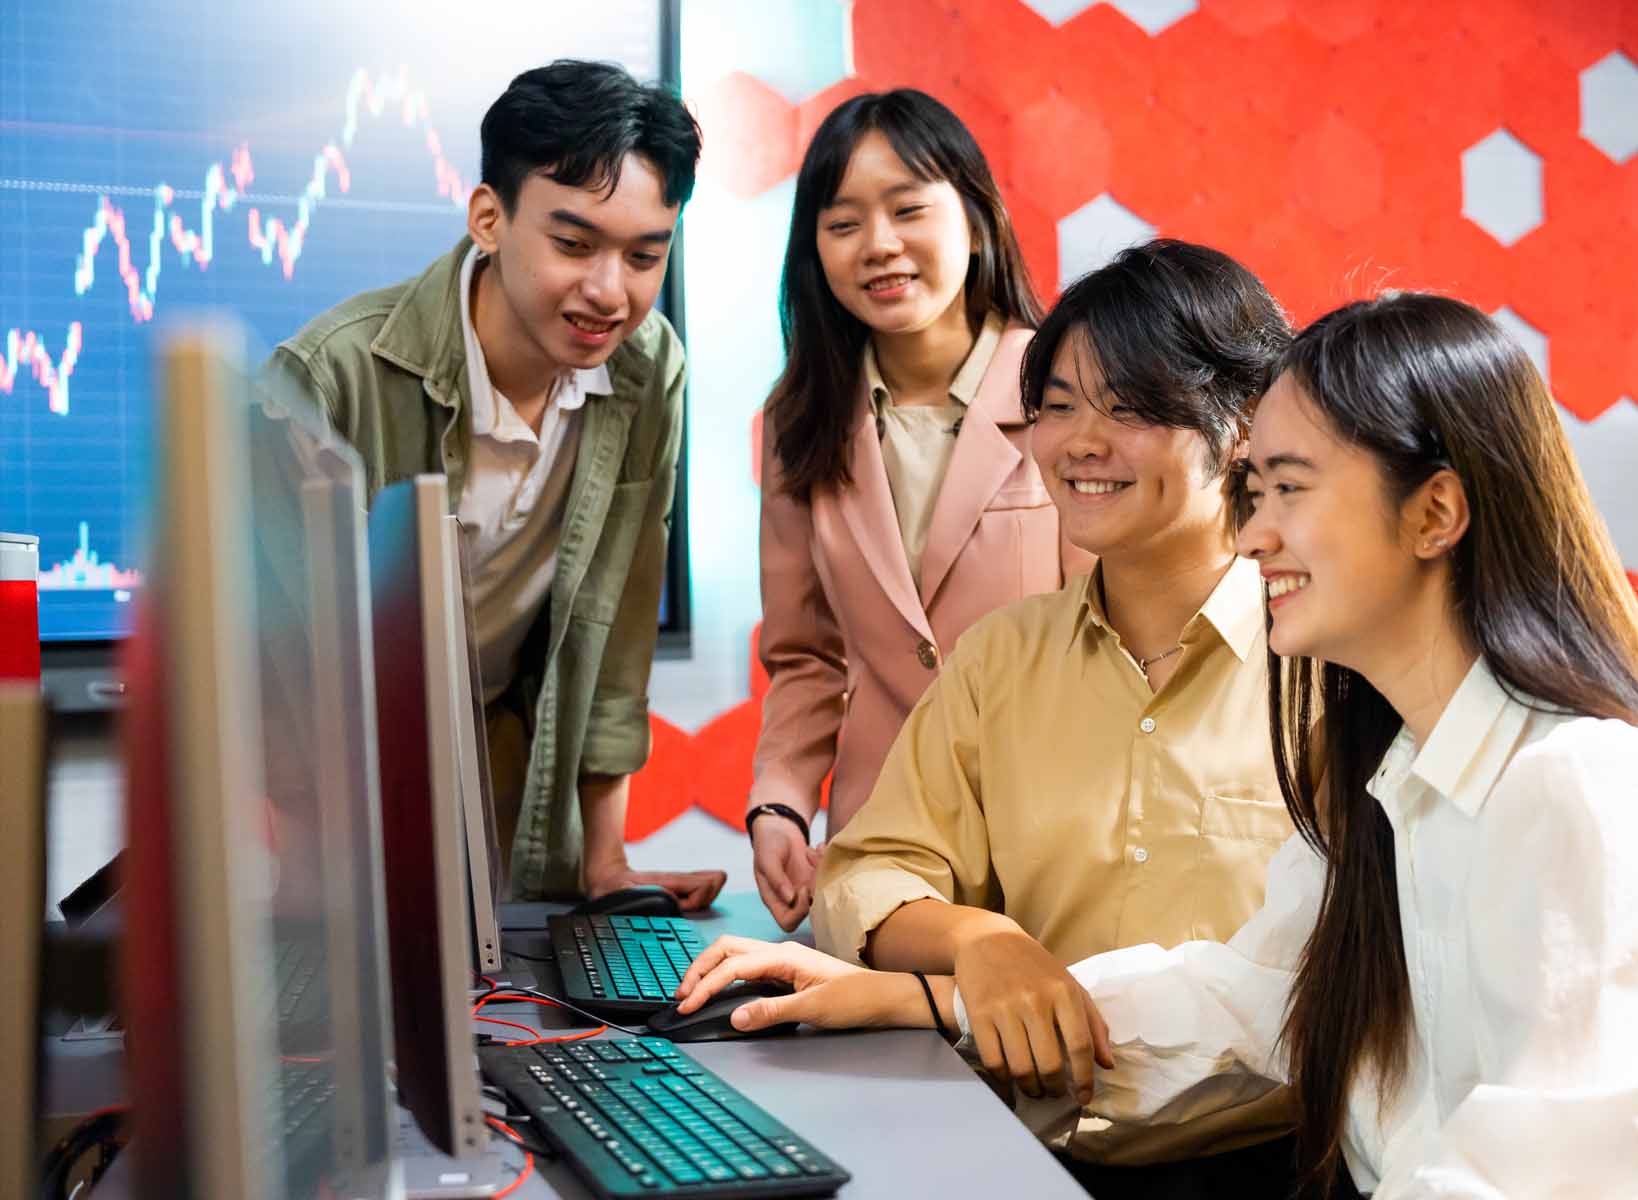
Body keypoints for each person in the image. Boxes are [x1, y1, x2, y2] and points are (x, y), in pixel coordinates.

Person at [672, 291, 1638, 1197]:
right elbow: (1249, 997)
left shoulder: (1585, 793)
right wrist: (925, 998)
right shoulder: (1392, 775)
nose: (1252, 539)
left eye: (1286, 490)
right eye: (1251, 492)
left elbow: (1547, 1181)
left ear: (1437, 513)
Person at [807, 241, 1303, 1189]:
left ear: (1240, 426)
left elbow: (1313, 986)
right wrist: (981, 943)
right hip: (1011, 1154)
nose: (1080, 442)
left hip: (1257, 1164)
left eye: (1130, 408)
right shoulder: (1002, 656)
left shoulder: (1322, 670)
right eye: (1059, 406)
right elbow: (872, 870)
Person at [266, 60, 723, 906]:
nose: (607, 292)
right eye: (574, 244)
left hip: (502, 748)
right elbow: (268, 665)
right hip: (334, 771)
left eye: (643, 256)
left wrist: (607, 862)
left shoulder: (647, 369)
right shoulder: (329, 378)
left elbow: (617, 626)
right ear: (488, 218)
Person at [748, 89, 1091, 932]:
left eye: (908, 210)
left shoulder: (1072, 395)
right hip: (882, 853)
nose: (881, 246)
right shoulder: (801, 423)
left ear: (975, 219)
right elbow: (807, 659)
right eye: (843, 224)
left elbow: (1115, 642)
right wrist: (781, 805)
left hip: (1056, 839)